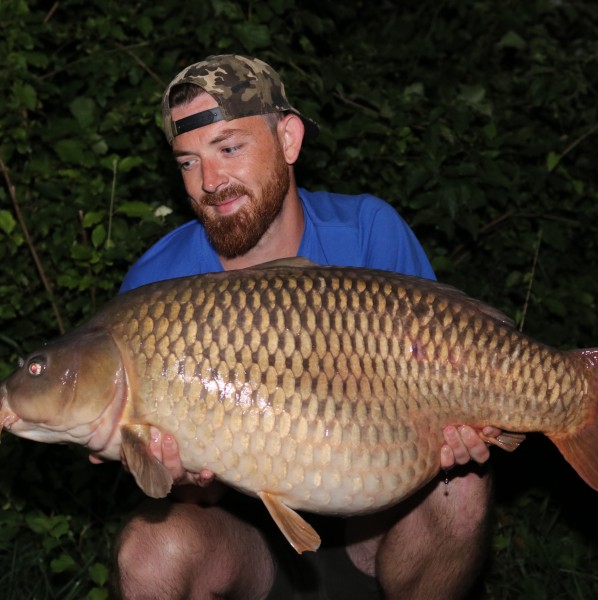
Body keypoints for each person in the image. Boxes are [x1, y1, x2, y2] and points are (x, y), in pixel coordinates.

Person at [114, 54, 499, 600]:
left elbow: (447, 366)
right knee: (149, 554)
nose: (209, 183)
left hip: (375, 522)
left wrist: (460, 426)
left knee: (462, 490)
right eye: (187, 163)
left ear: (288, 139)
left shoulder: (368, 234)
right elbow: (190, 495)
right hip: (242, 536)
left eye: (229, 148)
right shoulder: (156, 286)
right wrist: (179, 478)